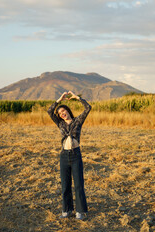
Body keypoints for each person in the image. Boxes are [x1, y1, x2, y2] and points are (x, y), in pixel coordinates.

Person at [47, 91, 92, 220]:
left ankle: (80, 211)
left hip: (76, 155)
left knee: (78, 184)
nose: (62, 113)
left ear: (68, 110)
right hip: (64, 156)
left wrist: (77, 98)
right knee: (65, 185)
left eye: (63, 111)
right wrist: (59, 100)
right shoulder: (60, 123)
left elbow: (88, 108)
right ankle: (66, 210)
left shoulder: (78, 121)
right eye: (60, 113)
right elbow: (50, 111)